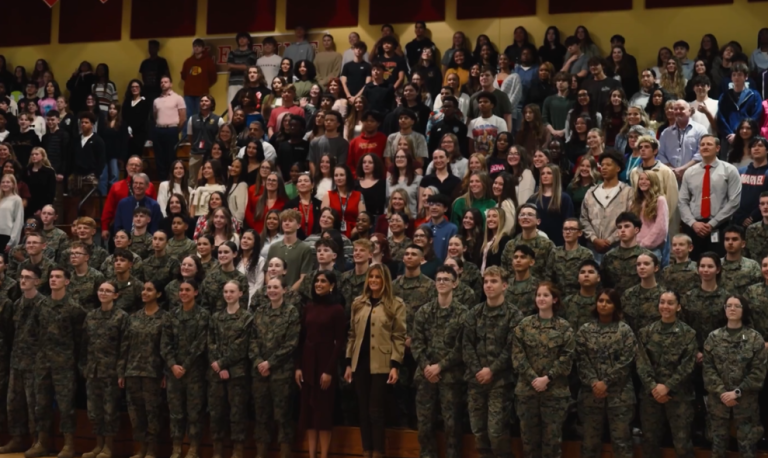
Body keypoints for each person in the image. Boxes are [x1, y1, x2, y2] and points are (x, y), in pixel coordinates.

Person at [345, 264, 405, 458]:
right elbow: (352, 335)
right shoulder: (358, 303)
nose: (373, 280)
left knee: (375, 411)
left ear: (384, 280)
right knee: (362, 411)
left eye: (377, 277)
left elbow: (399, 336)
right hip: (360, 363)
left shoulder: (395, 304)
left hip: (382, 363)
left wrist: (395, 365)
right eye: (371, 277)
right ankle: (366, 451)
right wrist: (348, 363)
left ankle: (378, 452)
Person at [511, 281, 574, 458]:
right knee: (529, 442)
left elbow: (567, 357)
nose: (541, 298)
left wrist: (547, 378)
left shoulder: (564, 327)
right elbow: (517, 356)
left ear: (554, 299)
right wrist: (534, 379)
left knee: (552, 443)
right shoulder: (524, 325)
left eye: (545, 295)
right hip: (527, 391)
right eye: (538, 295)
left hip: (554, 392)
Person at [410, 264, 465, 458]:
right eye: (439, 279)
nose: (442, 283)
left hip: (450, 378)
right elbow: (416, 343)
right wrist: (427, 367)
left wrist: (439, 367)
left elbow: (462, 348)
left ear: (455, 283)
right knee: (424, 426)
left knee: (452, 427)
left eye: (446, 280)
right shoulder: (424, 311)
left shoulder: (463, 314)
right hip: (426, 378)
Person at [574, 288, 636, 458]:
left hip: (620, 396)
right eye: (601, 300)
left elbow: (626, 361)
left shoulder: (625, 331)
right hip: (590, 395)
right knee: (589, 444)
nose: (603, 304)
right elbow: (581, 360)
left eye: (608, 302)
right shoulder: (585, 330)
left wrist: (606, 382)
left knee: (622, 442)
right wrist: (594, 382)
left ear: (615, 306)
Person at [703, 295, 767, 458]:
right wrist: (722, 392)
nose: (732, 309)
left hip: (745, 404)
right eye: (728, 305)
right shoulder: (713, 337)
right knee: (718, 448)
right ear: (724, 310)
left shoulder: (755, 338)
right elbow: (708, 369)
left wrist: (737, 392)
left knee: (748, 449)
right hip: (719, 403)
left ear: (743, 310)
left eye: (736, 306)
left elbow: (758, 372)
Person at [635, 290, 697, 458]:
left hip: (679, 397)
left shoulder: (688, 334)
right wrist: (653, 387)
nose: (665, 306)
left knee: (682, 443)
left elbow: (688, 365)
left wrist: (667, 387)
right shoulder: (646, 332)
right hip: (650, 396)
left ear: (678, 307)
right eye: (662, 302)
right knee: (649, 441)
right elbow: (641, 363)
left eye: (670, 303)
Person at [296, 271, 345, 458]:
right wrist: (298, 367)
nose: (319, 284)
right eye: (316, 281)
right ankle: (311, 455)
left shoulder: (337, 309)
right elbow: (302, 337)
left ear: (331, 285)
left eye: (323, 281)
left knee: (323, 415)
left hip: (325, 363)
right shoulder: (308, 306)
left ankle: (324, 455)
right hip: (308, 362)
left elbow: (340, 342)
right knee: (308, 414)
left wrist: (329, 371)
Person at [250, 276, 300, 458]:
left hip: (281, 373)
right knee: (261, 416)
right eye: (269, 287)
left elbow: (291, 343)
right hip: (260, 374)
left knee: (282, 417)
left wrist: (270, 362)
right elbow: (252, 340)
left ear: (284, 290)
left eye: (275, 287)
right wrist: (258, 362)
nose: (271, 290)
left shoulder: (291, 312)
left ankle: (285, 454)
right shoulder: (260, 312)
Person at [79, 280, 128, 458]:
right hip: (93, 370)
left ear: (116, 295)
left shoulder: (121, 317)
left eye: (108, 291)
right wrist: (83, 367)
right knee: (94, 411)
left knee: (110, 411)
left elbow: (124, 347)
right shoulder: (91, 316)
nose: (103, 293)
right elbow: (84, 344)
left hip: (111, 372)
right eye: (101, 290)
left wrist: (121, 372)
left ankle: (109, 447)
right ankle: (98, 445)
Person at [160, 278, 208, 458]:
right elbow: (165, 343)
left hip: (194, 371)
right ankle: (176, 447)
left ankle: (194, 448)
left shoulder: (203, 315)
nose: (183, 293)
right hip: (174, 373)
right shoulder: (171, 315)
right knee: (176, 412)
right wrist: (173, 365)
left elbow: (200, 344)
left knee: (194, 412)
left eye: (188, 290)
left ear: (196, 292)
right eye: (181, 290)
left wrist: (185, 366)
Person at [118, 280, 167, 458]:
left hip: (153, 372)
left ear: (158, 294)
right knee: (135, 412)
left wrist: (165, 372)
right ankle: (141, 448)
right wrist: (121, 371)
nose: (144, 293)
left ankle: (152, 449)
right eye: (143, 290)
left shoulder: (165, 318)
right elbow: (125, 346)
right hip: (132, 370)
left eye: (149, 290)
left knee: (153, 411)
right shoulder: (133, 317)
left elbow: (167, 347)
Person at [208, 280, 252, 458]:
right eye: (226, 292)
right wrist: (218, 366)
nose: (228, 295)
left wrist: (223, 363)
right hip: (216, 372)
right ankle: (217, 450)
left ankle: (238, 450)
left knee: (237, 412)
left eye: (232, 291)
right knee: (217, 412)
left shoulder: (247, 318)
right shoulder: (216, 317)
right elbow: (210, 343)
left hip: (237, 373)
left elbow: (242, 346)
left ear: (240, 294)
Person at [678, 135, 742, 258]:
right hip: (694, 227)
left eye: (709, 144)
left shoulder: (730, 170)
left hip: (720, 225)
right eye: (702, 145)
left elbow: (734, 202)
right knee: (695, 264)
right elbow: (682, 201)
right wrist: (693, 223)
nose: (705, 147)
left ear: (718, 148)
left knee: (718, 262)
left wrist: (713, 223)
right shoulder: (690, 172)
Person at [580, 150, 633, 261]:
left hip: (618, 247)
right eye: (602, 165)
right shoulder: (591, 192)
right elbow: (584, 219)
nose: (603, 168)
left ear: (618, 168)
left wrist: (610, 240)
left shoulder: (628, 192)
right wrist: (594, 239)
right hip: (592, 248)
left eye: (608, 165)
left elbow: (630, 220)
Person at [101, 156, 157, 240]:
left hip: (145, 229)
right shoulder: (116, 186)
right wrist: (105, 227)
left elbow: (154, 208)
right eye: (131, 165)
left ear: (141, 168)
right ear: (126, 167)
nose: (133, 167)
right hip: (120, 226)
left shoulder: (149, 186)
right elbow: (108, 208)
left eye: (137, 165)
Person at [501, 203, 554, 282]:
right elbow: (504, 272)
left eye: (530, 215)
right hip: (513, 290)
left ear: (538, 221)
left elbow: (551, 274)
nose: (525, 217)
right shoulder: (510, 245)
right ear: (519, 220)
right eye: (522, 215)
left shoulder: (547, 245)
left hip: (538, 291)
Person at [601, 212, 652, 294]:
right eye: (619, 227)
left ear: (636, 230)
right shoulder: (609, 257)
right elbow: (603, 285)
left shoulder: (647, 256)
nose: (623, 230)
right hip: (614, 302)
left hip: (637, 302)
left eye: (627, 226)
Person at [265, 210, 313, 291]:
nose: (287, 223)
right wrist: (274, 289)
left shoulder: (305, 249)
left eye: (290, 221)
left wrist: (289, 292)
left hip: (295, 295)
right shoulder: (273, 247)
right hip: (274, 293)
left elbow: (304, 277)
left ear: (298, 225)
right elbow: (267, 273)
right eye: (284, 221)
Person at [658, 100, 707, 179]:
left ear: (690, 111)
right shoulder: (666, 133)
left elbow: (702, 152)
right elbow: (660, 154)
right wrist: (672, 170)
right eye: (675, 109)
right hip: (671, 176)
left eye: (681, 109)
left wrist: (683, 169)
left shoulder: (700, 130)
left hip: (694, 176)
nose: (678, 111)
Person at [718, 62, 762, 149]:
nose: (736, 77)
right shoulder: (724, 96)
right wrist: (729, 134)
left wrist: (742, 133)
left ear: (746, 77)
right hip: (729, 138)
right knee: (727, 162)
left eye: (739, 75)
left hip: (748, 137)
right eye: (734, 75)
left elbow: (756, 115)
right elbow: (721, 117)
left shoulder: (754, 95)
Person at [527, 164, 573, 246]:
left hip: (558, 243)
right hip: (536, 243)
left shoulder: (564, 198)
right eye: (543, 173)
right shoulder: (533, 198)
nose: (545, 176)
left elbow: (569, 222)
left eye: (549, 173)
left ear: (555, 176)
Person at [180, 39, 218, 138]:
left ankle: (200, 137)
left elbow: (213, 77)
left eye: (198, 46)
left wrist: (204, 85)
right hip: (188, 93)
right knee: (187, 116)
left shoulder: (208, 61)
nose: (196, 48)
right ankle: (185, 137)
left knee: (201, 116)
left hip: (202, 94)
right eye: (195, 46)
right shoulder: (188, 61)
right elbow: (184, 75)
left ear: (202, 48)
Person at [548, 219, 594, 298]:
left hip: (579, 298)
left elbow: (590, 280)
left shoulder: (586, 254)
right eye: (565, 229)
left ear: (579, 233)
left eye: (572, 229)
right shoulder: (555, 252)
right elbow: (548, 277)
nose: (568, 232)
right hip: (558, 298)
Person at [152, 76, 186, 180]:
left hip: (172, 130)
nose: (163, 84)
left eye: (166, 82)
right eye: (161, 82)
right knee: (159, 158)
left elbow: (183, 117)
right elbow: (155, 116)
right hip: (158, 130)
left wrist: (176, 130)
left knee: (171, 157)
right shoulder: (156, 100)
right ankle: (162, 181)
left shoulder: (178, 98)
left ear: (171, 84)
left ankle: (172, 179)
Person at [187, 95, 224, 186]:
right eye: (202, 101)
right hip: (196, 154)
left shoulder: (218, 120)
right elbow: (190, 136)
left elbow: (222, 137)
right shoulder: (192, 119)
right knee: (192, 180)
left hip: (211, 155)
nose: (203, 102)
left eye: (206, 101)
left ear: (211, 104)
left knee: (210, 179)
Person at [632, 171, 668, 260]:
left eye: (647, 179)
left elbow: (661, 227)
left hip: (652, 249)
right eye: (641, 179)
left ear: (654, 182)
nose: (643, 182)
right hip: (635, 247)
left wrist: (645, 243)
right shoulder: (636, 202)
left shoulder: (660, 200)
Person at [734, 137, 768, 227]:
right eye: (753, 146)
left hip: (761, 221)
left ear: (767, 150)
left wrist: (752, 217)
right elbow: (733, 195)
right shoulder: (740, 171)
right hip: (739, 220)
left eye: (760, 145)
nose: (756, 148)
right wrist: (740, 217)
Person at [720, 225, 762, 294]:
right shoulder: (716, 265)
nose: (730, 242)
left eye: (734, 239)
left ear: (743, 244)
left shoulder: (752, 266)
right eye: (727, 239)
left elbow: (758, 292)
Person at [563, 260, 601, 332]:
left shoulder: (602, 302)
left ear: (598, 278)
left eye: (591, 272)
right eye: (582, 272)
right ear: (578, 278)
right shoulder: (568, 302)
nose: (586, 275)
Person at [467, 91, 508, 156]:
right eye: (480, 102)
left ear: (492, 105)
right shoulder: (472, 123)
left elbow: (503, 142)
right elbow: (471, 144)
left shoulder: (500, 121)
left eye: (485, 102)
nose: (482, 104)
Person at [68, 242, 105, 309]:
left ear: (86, 257)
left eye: (78, 253)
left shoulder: (97, 276)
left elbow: (103, 301)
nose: (73, 256)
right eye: (72, 254)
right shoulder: (68, 277)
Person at [226, 32, 257, 104]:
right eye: (240, 38)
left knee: (245, 104)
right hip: (233, 83)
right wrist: (242, 66)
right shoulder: (232, 53)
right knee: (231, 104)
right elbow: (228, 66)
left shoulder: (252, 53)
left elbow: (248, 67)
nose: (241, 40)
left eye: (244, 38)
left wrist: (234, 66)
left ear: (248, 41)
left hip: (246, 83)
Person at [0, 174, 23, 252]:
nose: (5, 184)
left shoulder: (17, 199)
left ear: (13, 185)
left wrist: (12, 241)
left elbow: (18, 221)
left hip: (7, 236)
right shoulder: (1, 199)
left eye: (8, 182)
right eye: (3, 182)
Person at [746, 191, 768, 261]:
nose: (765, 207)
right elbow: (746, 256)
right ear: (759, 207)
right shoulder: (751, 230)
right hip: (756, 270)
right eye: (762, 204)